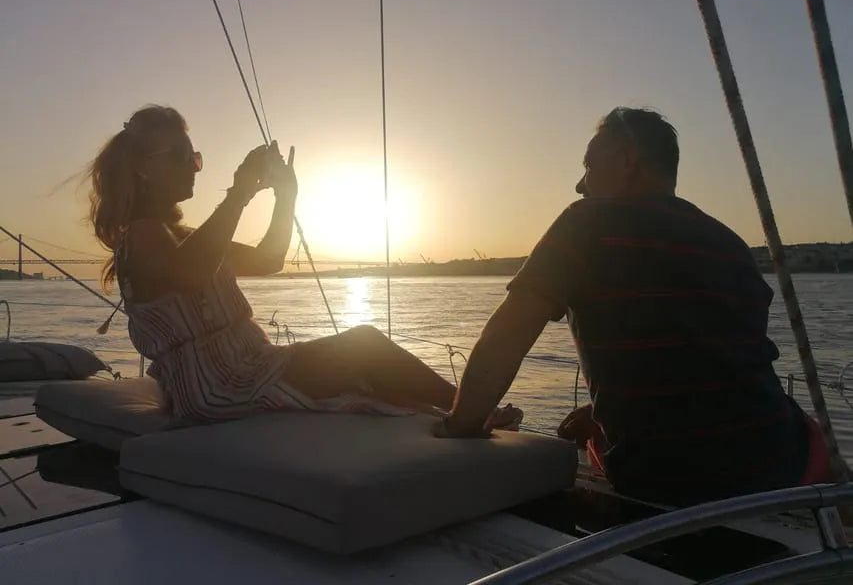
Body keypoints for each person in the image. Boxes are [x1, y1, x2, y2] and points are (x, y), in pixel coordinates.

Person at [432, 106, 831, 506]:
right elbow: (715, 359)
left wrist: (461, 428)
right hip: (782, 460)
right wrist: (605, 407)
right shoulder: (729, 244)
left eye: (588, 166)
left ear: (626, 161)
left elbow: (509, 334)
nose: (579, 185)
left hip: (663, 477)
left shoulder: (586, 223)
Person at [88, 104, 523, 426]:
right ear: (144, 170)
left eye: (196, 156)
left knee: (367, 367)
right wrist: (239, 192)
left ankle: (461, 413)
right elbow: (192, 273)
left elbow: (269, 259)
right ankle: (473, 413)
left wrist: (285, 195)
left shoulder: (178, 237)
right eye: (184, 157)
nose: (196, 168)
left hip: (244, 371)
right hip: (220, 386)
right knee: (365, 345)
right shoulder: (144, 234)